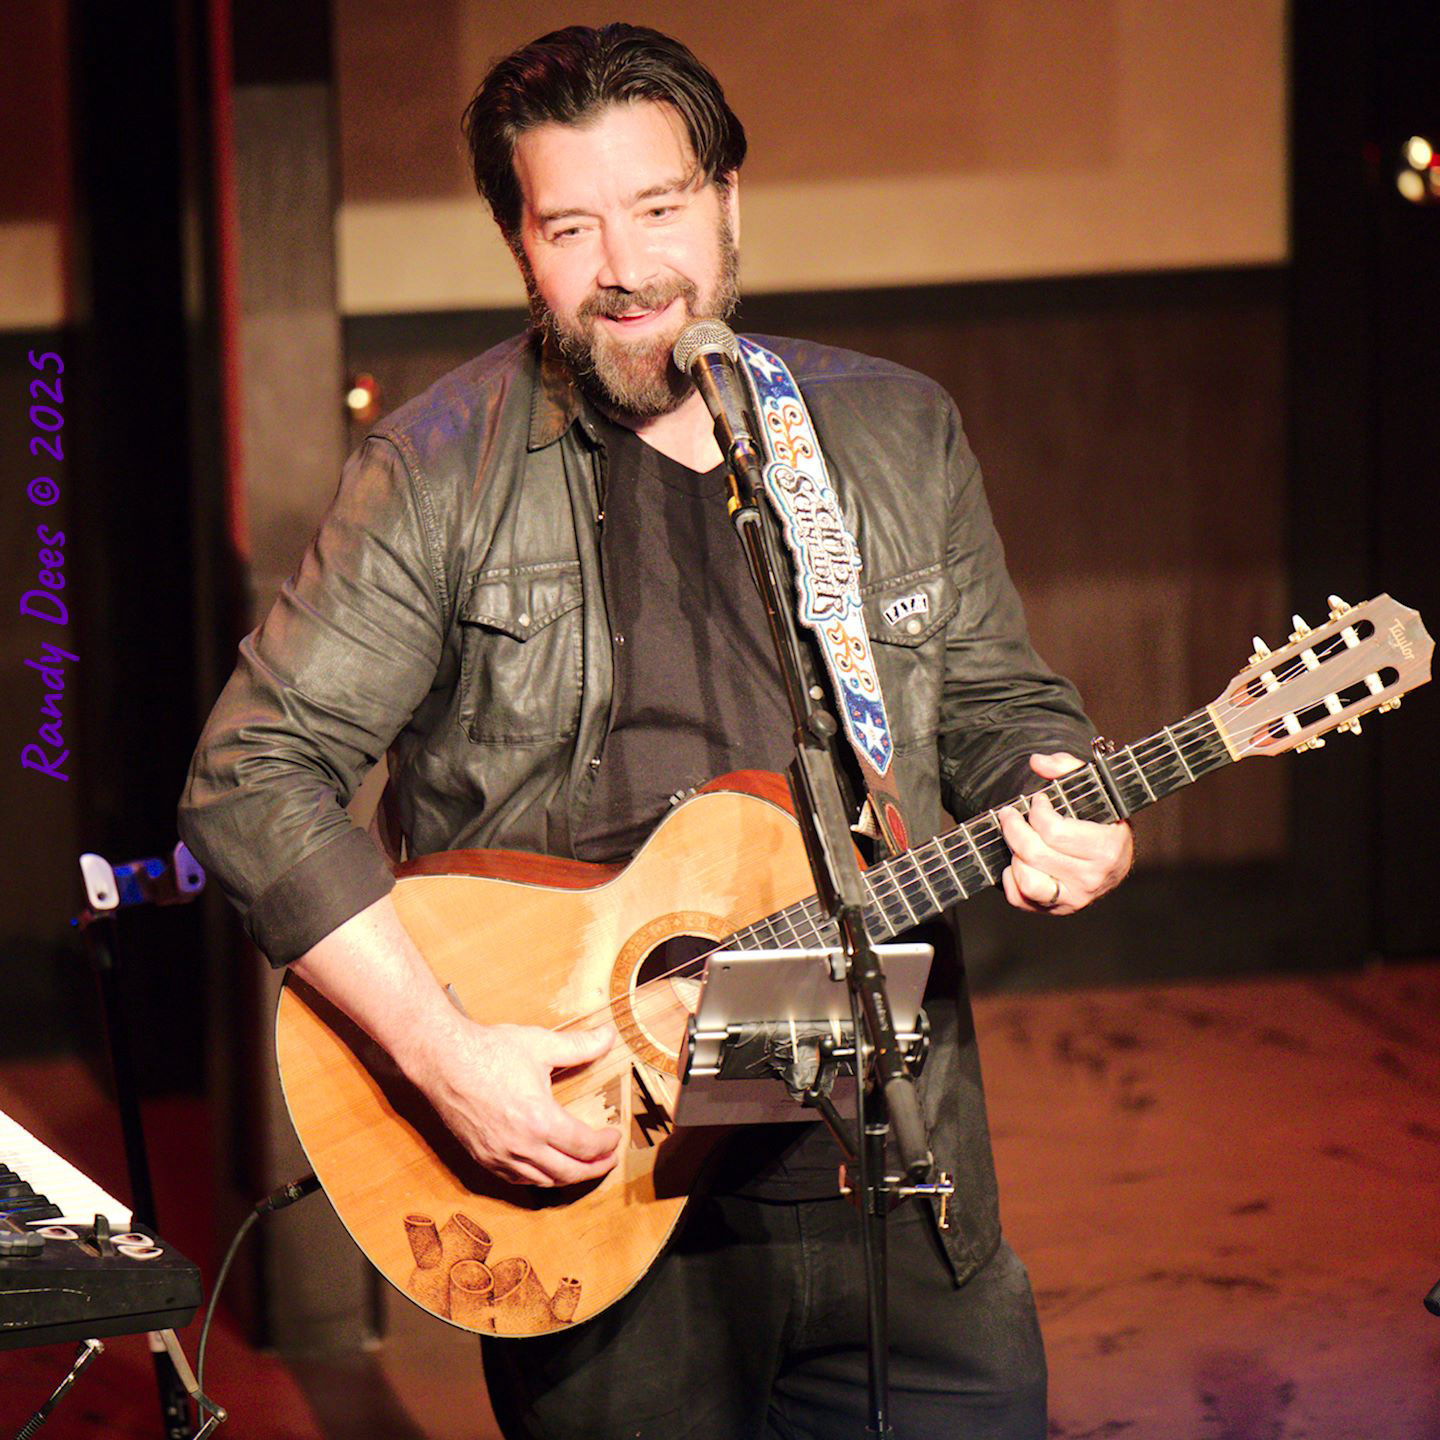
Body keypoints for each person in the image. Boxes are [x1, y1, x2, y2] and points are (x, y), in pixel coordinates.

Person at [180, 23, 1132, 1440]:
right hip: (598, 1199)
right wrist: (448, 1059)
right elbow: (252, 777)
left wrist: (1064, 791)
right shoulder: (435, 476)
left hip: (892, 1167)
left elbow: (999, 704)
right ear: (519, 244)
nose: (624, 262)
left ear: (731, 201)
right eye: (571, 223)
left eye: (662, 206)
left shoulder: (889, 435)